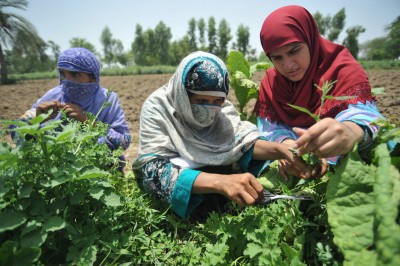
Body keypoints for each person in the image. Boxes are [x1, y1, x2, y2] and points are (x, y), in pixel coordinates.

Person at [132, 51, 310, 219]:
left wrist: (281, 149)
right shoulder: (159, 107)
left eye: (217, 101)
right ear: (183, 94)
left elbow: (242, 143)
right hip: (187, 179)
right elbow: (152, 171)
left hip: (216, 176)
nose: (210, 109)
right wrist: (221, 183)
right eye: (201, 101)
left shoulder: (223, 111)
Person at [254, 5, 385, 180]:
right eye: (277, 58)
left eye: (294, 51)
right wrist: (286, 148)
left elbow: (366, 118)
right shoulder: (271, 84)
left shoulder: (342, 70)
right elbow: (270, 129)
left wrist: (351, 132)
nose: (288, 65)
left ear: (310, 39)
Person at [11, 47, 131, 157]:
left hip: (100, 169)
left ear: (93, 76)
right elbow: (16, 133)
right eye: (63, 74)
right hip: (55, 169)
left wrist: (88, 122)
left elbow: (124, 142)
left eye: (75, 74)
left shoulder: (107, 99)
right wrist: (37, 120)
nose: (67, 81)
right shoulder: (53, 95)